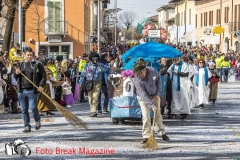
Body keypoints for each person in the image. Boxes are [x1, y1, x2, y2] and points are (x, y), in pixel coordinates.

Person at [133, 59, 169, 144]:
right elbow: (143, 95)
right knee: (146, 116)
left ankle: (161, 133)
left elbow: (159, 82)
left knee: (158, 115)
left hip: (155, 96)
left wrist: (158, 94)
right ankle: (146, 136)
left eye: (141, 73)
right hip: (143, 98)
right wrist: (151, 106)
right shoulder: (137, 79)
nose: (140, 75)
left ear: (144, 70)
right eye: (138, 74)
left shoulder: (153, 71)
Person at [14, 47, 46, 133]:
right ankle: (27, 126)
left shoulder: (37, 64)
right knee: (24, 109)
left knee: (33, 107)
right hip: (21, 91)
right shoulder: (20, 64)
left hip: (32, 90)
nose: (29, 56)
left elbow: (43, 76)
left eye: (31, 55)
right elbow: (15, 77)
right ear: (24, 55)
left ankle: (37, 119)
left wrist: (41, 85)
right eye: (28, 55)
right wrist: (16, 73)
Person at [79, 52, 112, 117]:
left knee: (95, 96)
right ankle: (92, 110)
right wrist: (80, 83)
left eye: (96, 58)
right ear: (91, 58)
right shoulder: (87, 65)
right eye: (94, 58)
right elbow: (82, 75)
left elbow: (108, 69)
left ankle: (94, 111)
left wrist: (110, 75)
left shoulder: (101, 65)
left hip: (98, 82)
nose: (95, 59)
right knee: (90, 97)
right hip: (89, 82)